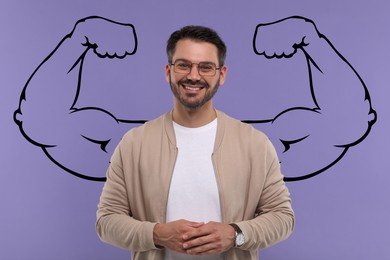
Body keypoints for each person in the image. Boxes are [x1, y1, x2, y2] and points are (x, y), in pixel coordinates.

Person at [96, 25, 294, 260]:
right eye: (183, 65)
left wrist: (236, 234)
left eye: (206, 67)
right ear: (168, 71)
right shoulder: (134, 144)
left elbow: (282, 217)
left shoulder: (255, 144)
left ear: (221, 75)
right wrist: (156, 234)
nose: (193, 75)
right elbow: (107, 221)